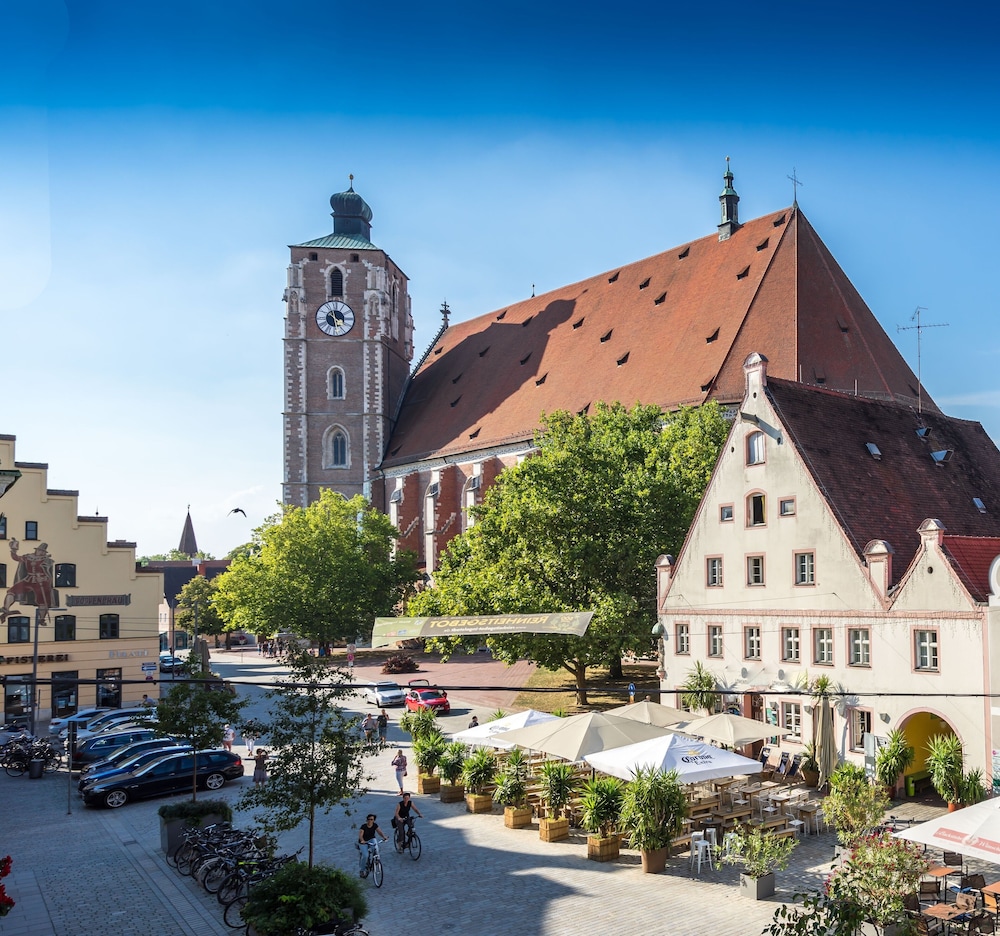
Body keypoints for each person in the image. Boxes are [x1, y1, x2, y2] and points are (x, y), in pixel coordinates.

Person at [0, 539, 58, 625]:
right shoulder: (28, 557)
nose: (41, 552)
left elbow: (49, 573)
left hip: (41, 582)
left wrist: (44, 578)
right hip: (29, 579)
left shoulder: (46, 560)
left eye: (42, 551)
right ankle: (6, 608)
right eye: (39, 550)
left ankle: (41, 619)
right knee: (11, 591)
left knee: (42, 600)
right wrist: (13, 550)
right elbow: (16, 558)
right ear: (36, 550)